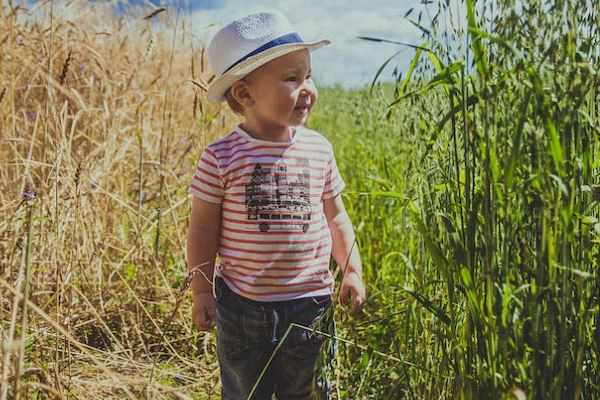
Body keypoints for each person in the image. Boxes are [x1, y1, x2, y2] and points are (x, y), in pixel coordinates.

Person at [186, 10, 366, 400]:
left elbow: (336, 216)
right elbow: (202, 229)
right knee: (243, 389)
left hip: (310, 305)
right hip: (242, 307)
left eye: (309, 75)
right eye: (292, 78)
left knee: (307, 389)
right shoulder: (221, 157)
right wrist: (202, 290)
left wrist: (351, 269)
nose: (308, 88)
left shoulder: (319, 149)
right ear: (245, 94)